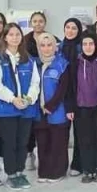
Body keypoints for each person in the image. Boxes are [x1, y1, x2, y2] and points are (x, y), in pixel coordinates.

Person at [0, 23, 40, 189]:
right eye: (11, 34)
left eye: (17, 34)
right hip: (7, 109)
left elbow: (35, 83)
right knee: (9, 142)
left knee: (23, 142)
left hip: (26, 108)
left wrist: (29, 99)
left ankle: (20, 172)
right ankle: (11, 174)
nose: (14, 37)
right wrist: (12, 99)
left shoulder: (29, 59)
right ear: (5, 37)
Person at [33, 33, 71, 183]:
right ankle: (44, 172)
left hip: (57, 110)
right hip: (39, 112)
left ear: (55, 47)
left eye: (49, 45)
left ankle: (58, 171)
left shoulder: (62, 64)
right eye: (42, 45)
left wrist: (50, 106)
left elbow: (63, 89)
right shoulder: (35, 64)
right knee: (43, 142)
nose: (46, 48)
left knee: (58, 143)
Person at [71, 33, 97, 182]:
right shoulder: (76, 63)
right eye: (85, 44)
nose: (88, 47)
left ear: (96, 45)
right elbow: (72, 87)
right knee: (84, 139)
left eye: (91, 44)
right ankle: (87, 169)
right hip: (82, 107)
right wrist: (71, 107)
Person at [60, 18, 85, 176]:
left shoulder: (82, 48)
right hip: (61, 95)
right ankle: (61, 165)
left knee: (79, 132)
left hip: (79, 95)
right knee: (62, 133)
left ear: (79, 31)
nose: (70, 31)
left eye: (74, 28)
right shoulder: (58, 48)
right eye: (67, 27)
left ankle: (78, 164)